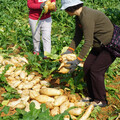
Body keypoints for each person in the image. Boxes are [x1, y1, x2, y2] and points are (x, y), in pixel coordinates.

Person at [61, 0, 116, 107]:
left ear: (69, 8)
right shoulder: (79, 17)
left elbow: (88, 41)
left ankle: (101, 100)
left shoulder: (86, 17)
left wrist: (77, 60)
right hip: (98, 45)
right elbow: (77, 36)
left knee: (96, 70)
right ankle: (93, 96)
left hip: (109, 46)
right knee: (87, 67)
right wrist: (70, 50)